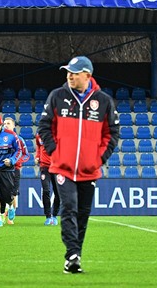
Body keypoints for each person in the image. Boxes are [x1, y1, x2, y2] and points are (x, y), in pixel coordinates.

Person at [38, 56, 119, 274]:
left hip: (89, 169)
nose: (69, 75)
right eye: (68, 72)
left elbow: (111, 134)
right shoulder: (57, 96)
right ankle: (72, 254)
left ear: (87, 75)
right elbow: (44, 127)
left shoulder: (103, 101)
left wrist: (98, 159)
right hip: (62, 167)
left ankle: (75, 257)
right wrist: (56, 151)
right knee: (69, 208)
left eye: (74, 72)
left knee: (83, 213)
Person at [3, 117, 30, 225]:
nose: (6, 125)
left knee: (13, 193)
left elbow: (26, 155)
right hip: (3, 169)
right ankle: (4, 213)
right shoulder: (1, 139)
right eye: (4, 123)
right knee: (3, 192)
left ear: (14, 126)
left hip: (15, 169)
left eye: (8, 123)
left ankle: (11, 213)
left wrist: (16, 162)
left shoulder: (19, 139)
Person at [35, 132, 60, 226]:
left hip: (57, 167)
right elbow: (38, 146)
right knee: (46, 190)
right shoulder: (39, 134)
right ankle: (48, 216)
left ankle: (55, 215)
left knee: (58, 192)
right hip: (44, 167)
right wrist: (37, 156)